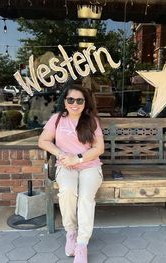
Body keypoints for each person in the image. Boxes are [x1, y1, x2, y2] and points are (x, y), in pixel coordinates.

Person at [38, 86, 104, 263]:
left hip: (89, 166)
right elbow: (43, 141)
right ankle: (71, 232)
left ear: (85, 103)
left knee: (85, 197)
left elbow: (99, 148)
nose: (75, 104)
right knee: (67, 191)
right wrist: (61, 154)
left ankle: (82, 244)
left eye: (80, 100)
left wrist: (78, 158)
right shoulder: (57, 119)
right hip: (65, 165)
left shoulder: (92, 121)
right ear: (65, 102)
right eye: (71, 100)